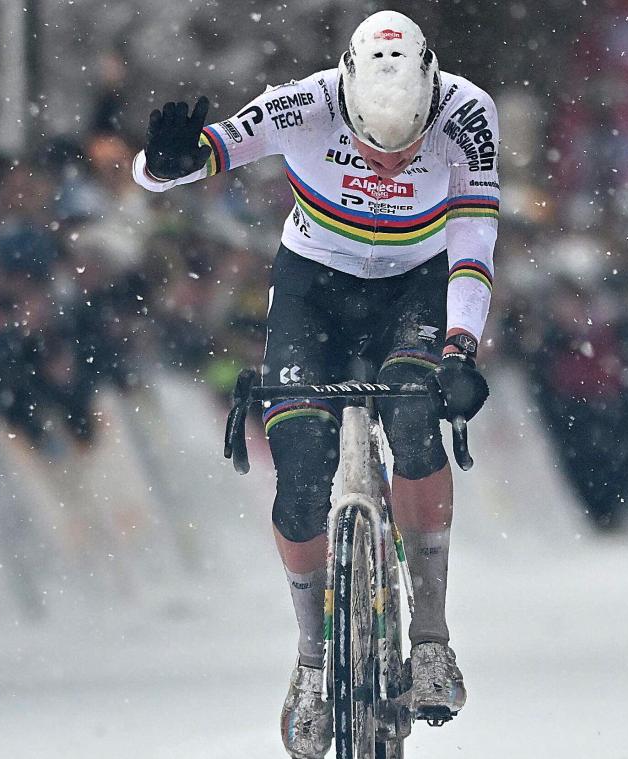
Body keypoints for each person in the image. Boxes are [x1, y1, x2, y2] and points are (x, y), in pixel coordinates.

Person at [131, 10, 498, 758]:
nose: (391, 166)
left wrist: (460, 346)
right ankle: (309, 663)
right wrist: (162, 161)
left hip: (416, 288)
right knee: (299, 479)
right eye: (371, 147)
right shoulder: (305, 102)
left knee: (415, 420)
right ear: (347, 102)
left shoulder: (468, 113)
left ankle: (430, 634)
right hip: (314, 289)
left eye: (407, 149)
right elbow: (195, 159)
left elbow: (474, 235)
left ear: (433, 97)